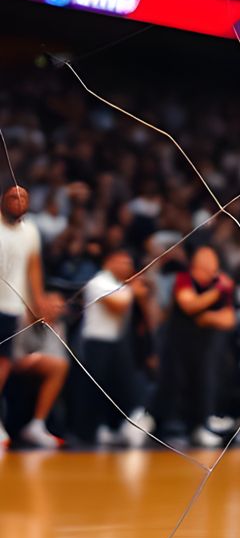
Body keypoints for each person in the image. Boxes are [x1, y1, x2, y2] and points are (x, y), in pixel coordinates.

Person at [0, 184, 64, 449]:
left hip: (12, 308)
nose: (18, 200)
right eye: (13, 196)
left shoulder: (31, 232)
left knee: (3, 365)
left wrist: (38, 304)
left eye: (24, 197)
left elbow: (34, 270)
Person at [158, 244, 237, 447]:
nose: (213, 266)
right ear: (197, 265)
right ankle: (172, 428)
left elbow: (229, 319)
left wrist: (208, 316)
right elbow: (190, 305)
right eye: (208, 262)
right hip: (178, 346)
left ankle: (201, 426)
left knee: (206, 384)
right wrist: (217, 291)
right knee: (175, 385)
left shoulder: (218, 285)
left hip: (205, 348)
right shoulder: (184, 279)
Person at [79, 247, 153, 446]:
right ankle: (93, 430)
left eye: (129, 263)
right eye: (123, 262)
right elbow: (117, 306)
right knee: (97, 387)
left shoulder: (121, 285)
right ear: (109, 261)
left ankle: (115, 427)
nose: (127, 267)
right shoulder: (98, 282)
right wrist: (132, 290)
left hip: (117, 343)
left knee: (117, 385)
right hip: (97, 341)